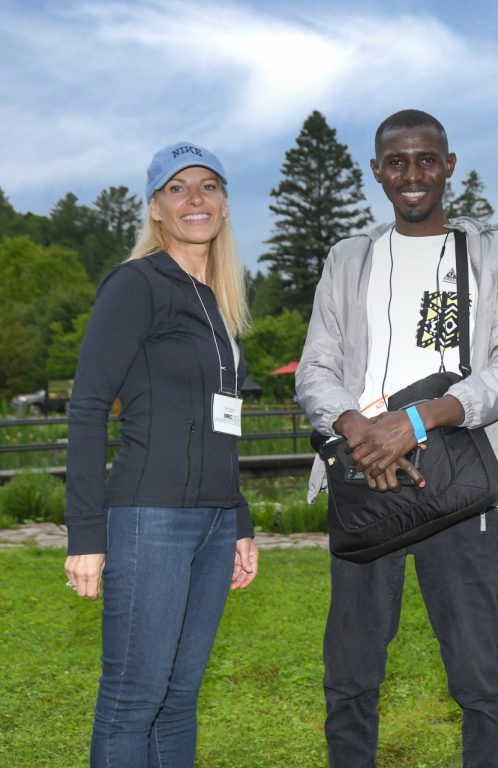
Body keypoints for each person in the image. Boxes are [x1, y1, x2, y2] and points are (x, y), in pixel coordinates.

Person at [295, 109, 498, 768]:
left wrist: (419, 420)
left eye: (426, 159)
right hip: (364, 474)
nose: (412, 174)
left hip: (455, 476)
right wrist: (358, 430)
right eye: (396, 161)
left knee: (478, 679)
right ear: (376, 171)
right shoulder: (350, 258)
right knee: (350, 676)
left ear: (448, 165)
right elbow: (316, 368)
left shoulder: (494, 253)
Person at [63, 141, 259, 767]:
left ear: (224, 206)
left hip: (213, 521)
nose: (194, 198)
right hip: (150, 520)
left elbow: (221, 424)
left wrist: (241, 520)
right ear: (154, 209)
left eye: (207, 186)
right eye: (176, 188)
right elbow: (88, 406)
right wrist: (86, 535)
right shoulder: (136, 285)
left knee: (178, 700)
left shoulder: (219, 304)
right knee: (132, 700)